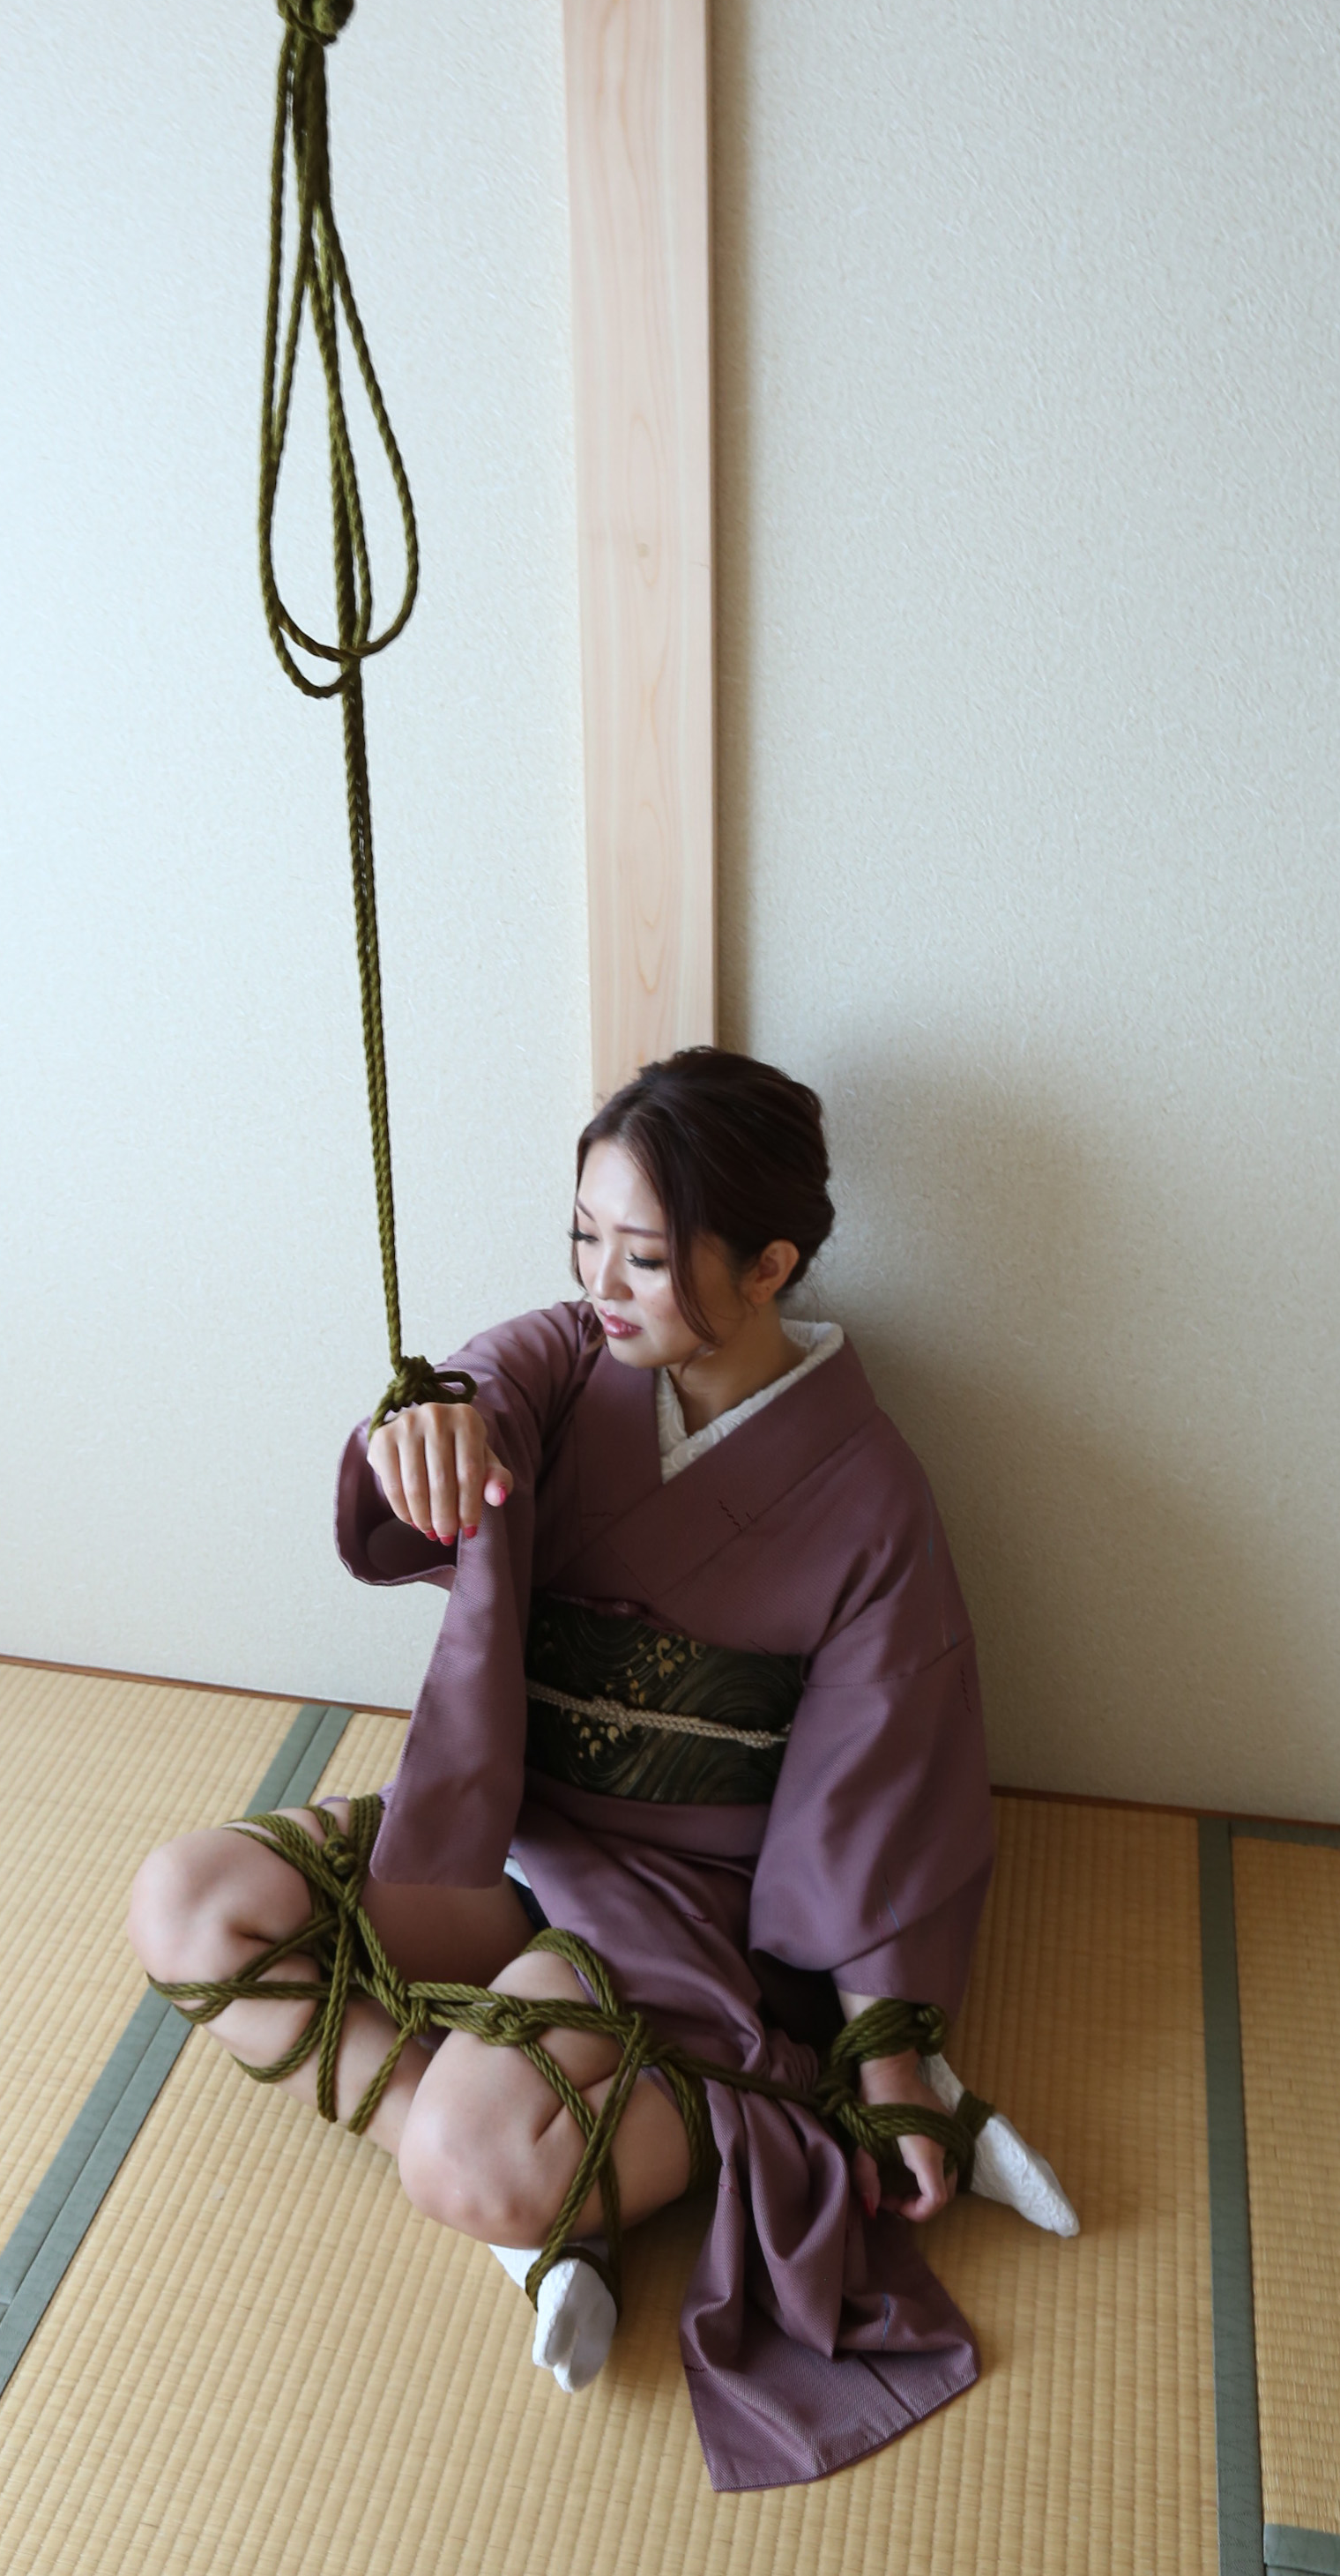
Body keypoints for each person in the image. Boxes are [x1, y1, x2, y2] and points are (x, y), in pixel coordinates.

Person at [128, 1049, 1073, 2493]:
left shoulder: (869, 1491)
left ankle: (574, 2150)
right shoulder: (571, 1365)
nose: (600, 1282)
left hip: (676, 1898)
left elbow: (881, 1773)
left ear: (769, 1265)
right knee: (186, 1903)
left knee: (462, 2153)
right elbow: (483, 1389)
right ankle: (544, 2208)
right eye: (582, 1236)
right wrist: (432, 1423)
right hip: (506, 1825)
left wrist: (885, 2044)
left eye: (642, 1253)